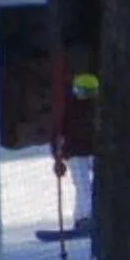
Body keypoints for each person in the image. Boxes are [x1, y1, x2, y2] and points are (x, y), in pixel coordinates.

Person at [51, 70, 97, 237]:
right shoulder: (68, 108)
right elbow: (56, 134)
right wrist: (58, 159)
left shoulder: (99, 107)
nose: (86, 96)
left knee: (99, 184)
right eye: (84, 92)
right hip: (75, 153)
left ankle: (92, 216)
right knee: (82, 185)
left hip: (95, 151)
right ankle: (84, 218)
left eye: (90, 92)